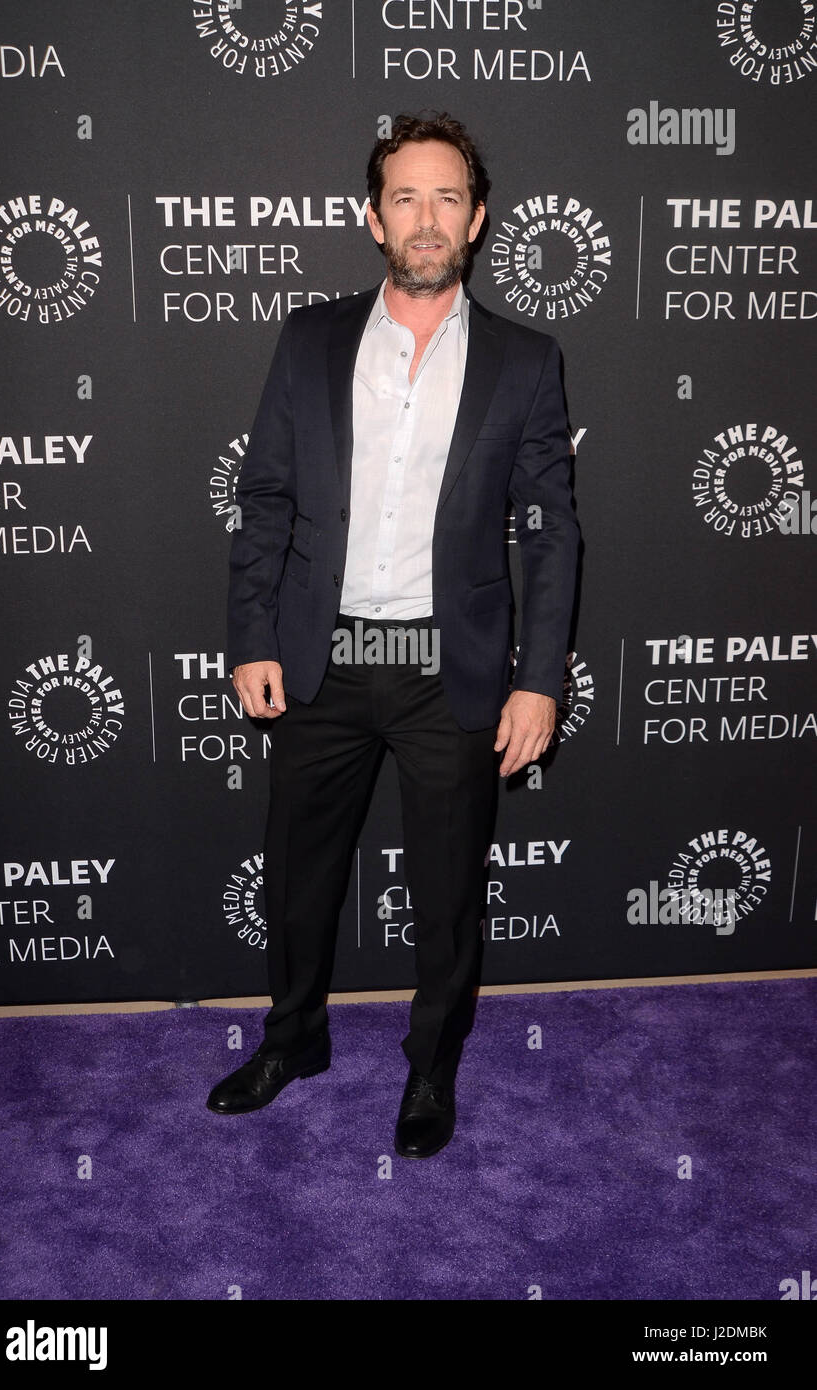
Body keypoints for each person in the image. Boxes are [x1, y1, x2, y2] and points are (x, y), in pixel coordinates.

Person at [208, 112, 580, 1158]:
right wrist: (252, 635)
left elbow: (550, 534)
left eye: (447, 197)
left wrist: (539, 678)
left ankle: (431, 1067)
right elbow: (267, 495)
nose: (427, 219)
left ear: (479, 216)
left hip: (444, 668)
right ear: (374, 219)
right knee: (298, 877)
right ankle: (293, 1040)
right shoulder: (312, 337)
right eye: (406, 198)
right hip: (322, 655)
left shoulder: (526, 360)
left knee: (450, 891)